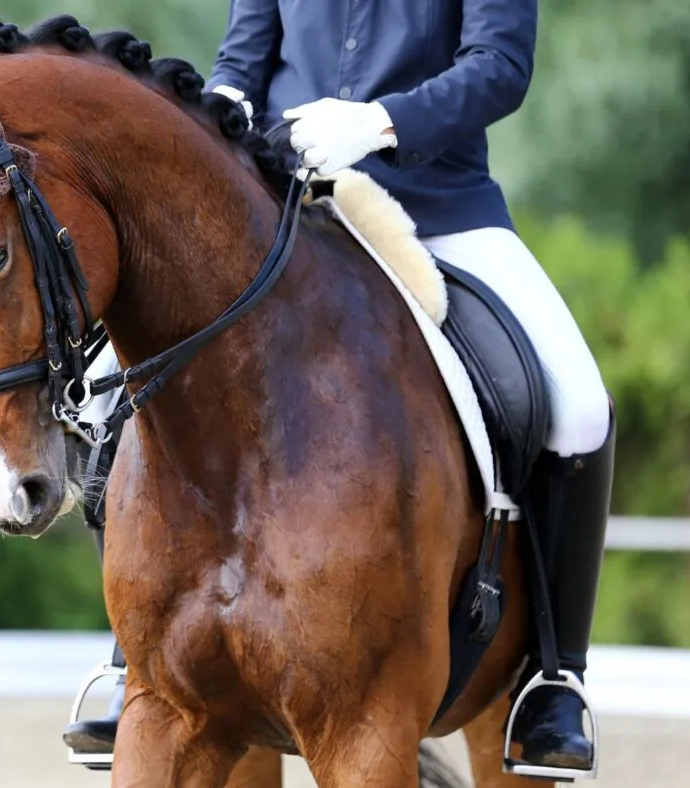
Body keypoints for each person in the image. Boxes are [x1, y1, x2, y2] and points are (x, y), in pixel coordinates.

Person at [62, 0, 615, 776]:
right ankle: (137, 659)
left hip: (439, 210)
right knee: (112, 389)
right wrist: (222, 111)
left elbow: (499, 67)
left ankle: (554, 678)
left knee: (580, 405)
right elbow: (245, 54)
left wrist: (383, 123)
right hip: (284, 209)